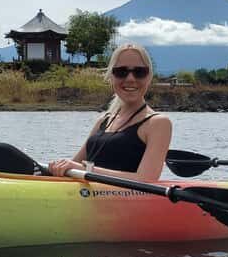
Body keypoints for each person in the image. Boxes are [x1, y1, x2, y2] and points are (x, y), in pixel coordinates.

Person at [47, 43, 172, 182]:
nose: (130, 78)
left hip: (124, 201)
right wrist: (58, 167)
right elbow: (74, 165)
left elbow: (146, 179)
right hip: (86, 197)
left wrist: (86, 170)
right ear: (111, 76)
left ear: (149, 77)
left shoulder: (158, 123)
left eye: (139, 72)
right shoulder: (104, 121)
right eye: (121, 72)